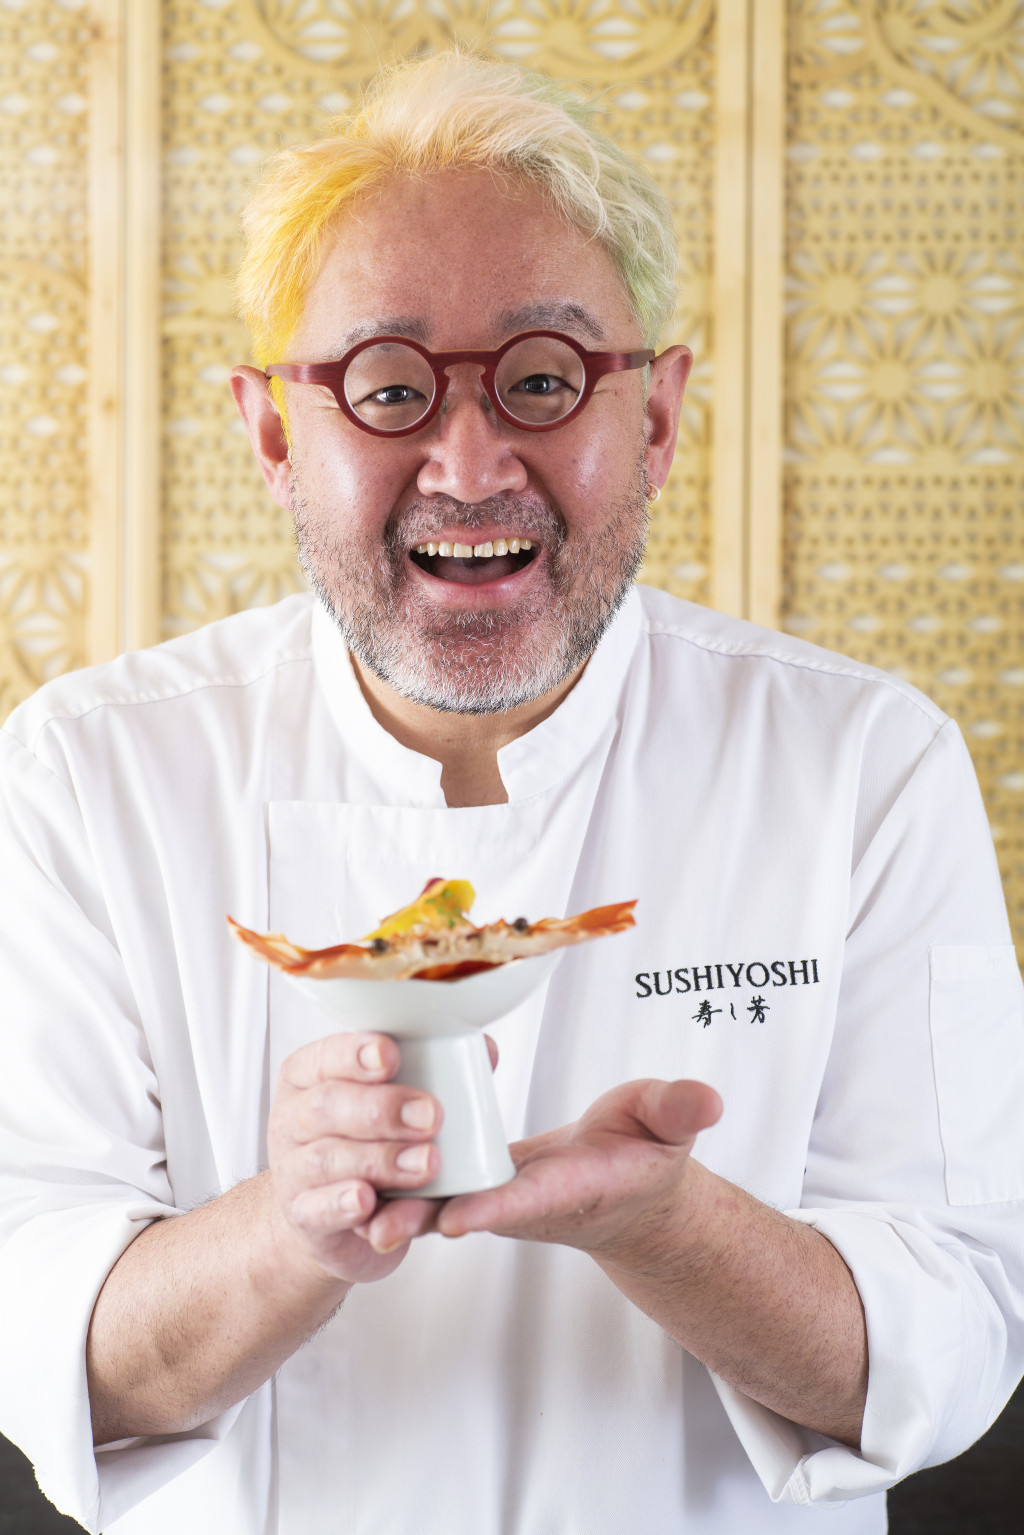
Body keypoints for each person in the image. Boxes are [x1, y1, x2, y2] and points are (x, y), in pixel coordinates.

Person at [1, 50, 1023, 1535]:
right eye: (388, 387)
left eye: (544, 380)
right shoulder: (89, 774)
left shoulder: (863, 767)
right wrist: (291, 1224)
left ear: (656, 419)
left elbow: (954, 1343)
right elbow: (45, 1347)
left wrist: (668, 1224)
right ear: (275, 434)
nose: (469, 462)